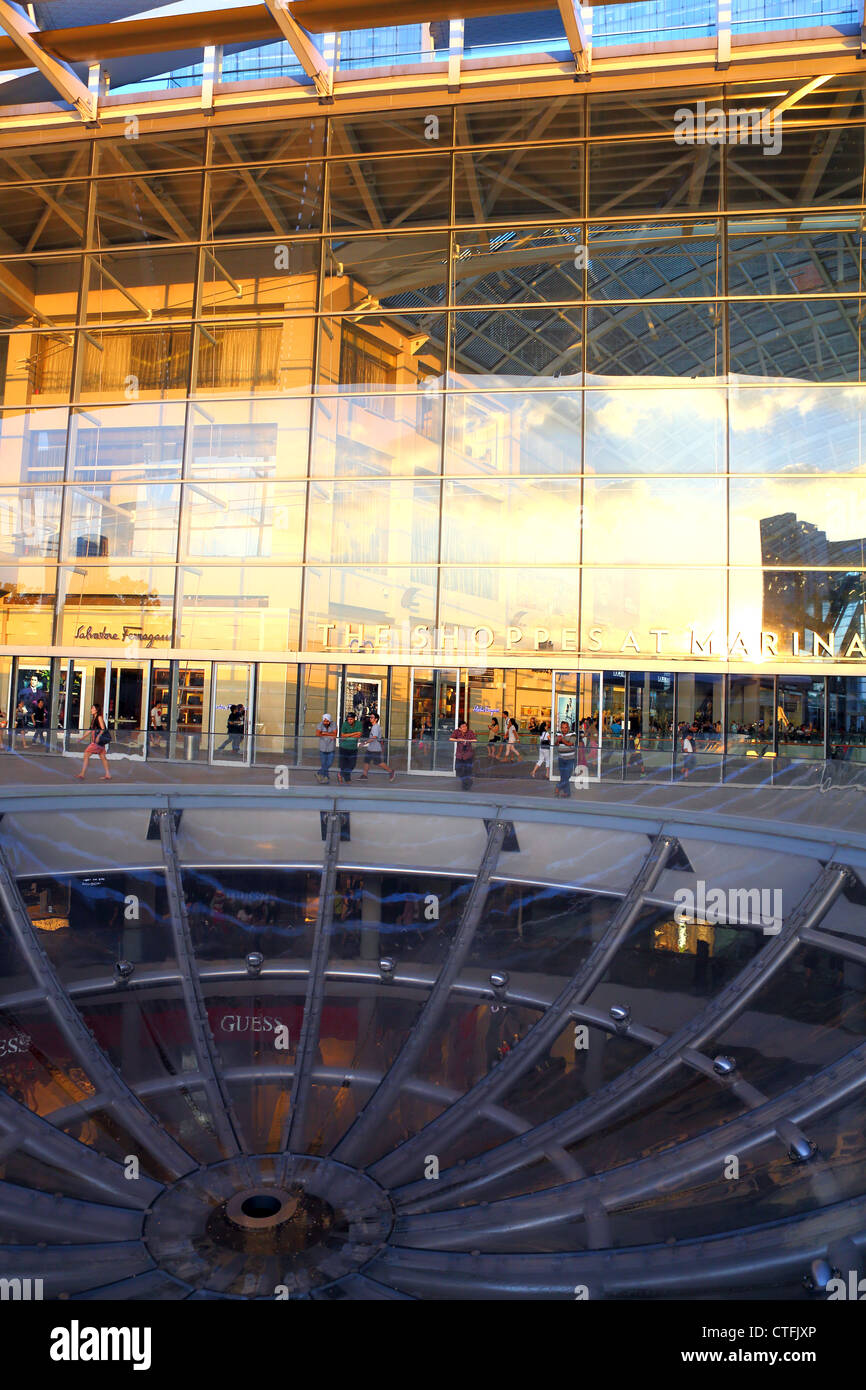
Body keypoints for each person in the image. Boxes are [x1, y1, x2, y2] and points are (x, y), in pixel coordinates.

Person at [76, 704, 111, 781]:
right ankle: (108, 774)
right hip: (99, 743)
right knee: (102, 757)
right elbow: (89, 731)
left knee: (86, 754)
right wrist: (81, 738)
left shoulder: (99, 717)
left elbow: (103, 728)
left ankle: (82, 774)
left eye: (92, 708)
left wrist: (98, 736)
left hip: (97, 742)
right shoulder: (94, 719)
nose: (91, 709)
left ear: (96, 710)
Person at [360, 711, 396, 782]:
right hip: (371, 748)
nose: (370, 718)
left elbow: (374, 737)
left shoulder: (376, 727)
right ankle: (364, 775)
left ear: (376, 719)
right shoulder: (374, 726)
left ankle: (391, 771)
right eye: (370, 717)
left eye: (372, 717)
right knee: (366, 761)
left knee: (378, 762)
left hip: (375, 749)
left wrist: (364, 743)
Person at [451, 719, 477, 791]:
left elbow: (475, 740)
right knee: (458, 770)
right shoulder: (457, 732)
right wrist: (459, 740)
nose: (465, 728)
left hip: (468, 755)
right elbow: (450, 738)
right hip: (459, 755)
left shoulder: (470, 732)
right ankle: (467, 782)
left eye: (465, 726)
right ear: (459, 728)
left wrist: (467, 741)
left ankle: (465, 785)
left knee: (467, 771)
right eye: (463, 727)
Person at [338, 709, 362, 783]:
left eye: (351, 719)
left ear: (354, 719)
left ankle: (341, 774)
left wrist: (347, 735)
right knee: (344, 764)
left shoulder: (358, 724)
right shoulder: (345, 724)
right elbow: (342, 735)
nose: (349, 721)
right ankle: (347, 779)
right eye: (348, 719)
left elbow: (359, 734)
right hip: (344, 747)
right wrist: (353, 733)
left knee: (352, 764)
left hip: (353, 748)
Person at [554, 720, 576, 797]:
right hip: (561, 758)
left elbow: (570, 744)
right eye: (562, 728)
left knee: (567, 775)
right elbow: (556, 744)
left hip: (570, 759)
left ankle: (558, 787)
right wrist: (557, 741)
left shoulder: (573, 734)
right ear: (561, 728)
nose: (564, 729)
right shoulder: (558, 733)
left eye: (566, 727)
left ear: (568, 727)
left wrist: (562, 739)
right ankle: (567, 792)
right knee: (563, 776)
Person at [315, 714, 336, 783]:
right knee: (324, 764)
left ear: (330, 720)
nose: (326, 723)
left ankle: (319, 773)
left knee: (329, 763)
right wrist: (330, 733)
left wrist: (324, 733)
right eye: (325, 721)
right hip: (323, 747)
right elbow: (317, 734)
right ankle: (326, 778)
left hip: (331, 747)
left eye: (327, 721)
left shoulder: (334, 724)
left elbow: (335, 734)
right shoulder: (320, 724)